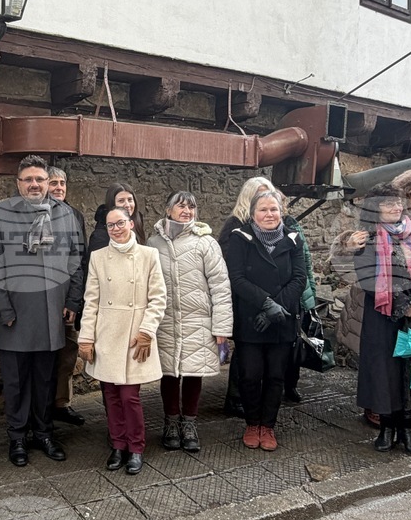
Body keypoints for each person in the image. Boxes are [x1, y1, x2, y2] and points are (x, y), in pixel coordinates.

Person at [0, 155, 84, 467]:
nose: (35, 184)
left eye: (41, 179)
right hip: (16, 313)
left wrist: (73, 302)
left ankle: (43, 432)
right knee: (16, 381)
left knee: (45, 379)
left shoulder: (65, 214)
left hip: (52, 312)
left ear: (48, 183)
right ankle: (17, 437)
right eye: (29, 179)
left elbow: (76, 262)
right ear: (18, 183)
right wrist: (2, 308)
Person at [332, 169, 411, 428]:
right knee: (380, 364)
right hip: (379, 306)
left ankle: (406, 423)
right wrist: (348, 244)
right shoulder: (369, 229)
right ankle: (380, 415)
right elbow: (351, 265)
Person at [78, 207, 166, 475]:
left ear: (130, 223)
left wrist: (146, 331)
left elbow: (158, 297)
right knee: (111, 395)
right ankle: (118, 444)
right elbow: (91, 300)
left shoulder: (149, 255)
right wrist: (85, 338)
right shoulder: (98, 257)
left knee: (130, 397)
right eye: (110, 225)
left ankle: (136, 447)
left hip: (134, 336)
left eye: (120, 223)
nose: (115, 229)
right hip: (106, 334)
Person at [218, 177, 317, 413]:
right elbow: (233, 272)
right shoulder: (236, 229)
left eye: (272, 203)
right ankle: (237, 399)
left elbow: (302, 270)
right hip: (249, 304)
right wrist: (264, 303)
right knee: (248, 363)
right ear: (251, 205)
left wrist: (282, 303)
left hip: (284, 305)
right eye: (261, 202)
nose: (268, 209)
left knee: (278, 366)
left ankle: (278, 398)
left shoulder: (290, 230)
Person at [147, 191, 233, 453]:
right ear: (168, 209)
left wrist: (221, 327)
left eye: (191, 207)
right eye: (181, 206)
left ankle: (190, 423)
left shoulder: (206, 243)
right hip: (165, 320)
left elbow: (220, 286)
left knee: (194, 372)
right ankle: (171, 422)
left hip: (198, 319)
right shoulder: (153, 244)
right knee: (169, 373)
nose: (186, 210)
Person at [47, 166, 88, 427]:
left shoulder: (75, 215)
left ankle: (61, 403)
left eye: (62, 182)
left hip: (67, 299)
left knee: (67, 354)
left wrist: (74, 300)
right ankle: (40, 408)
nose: (59, 187)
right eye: (54, 183)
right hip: (41, 299)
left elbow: (78, 261)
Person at [89, 182, 147, 253]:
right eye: (121, 201)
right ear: (112, 204)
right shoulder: (100, 237)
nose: (127, 205)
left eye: (130, 200)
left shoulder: (137, 223)